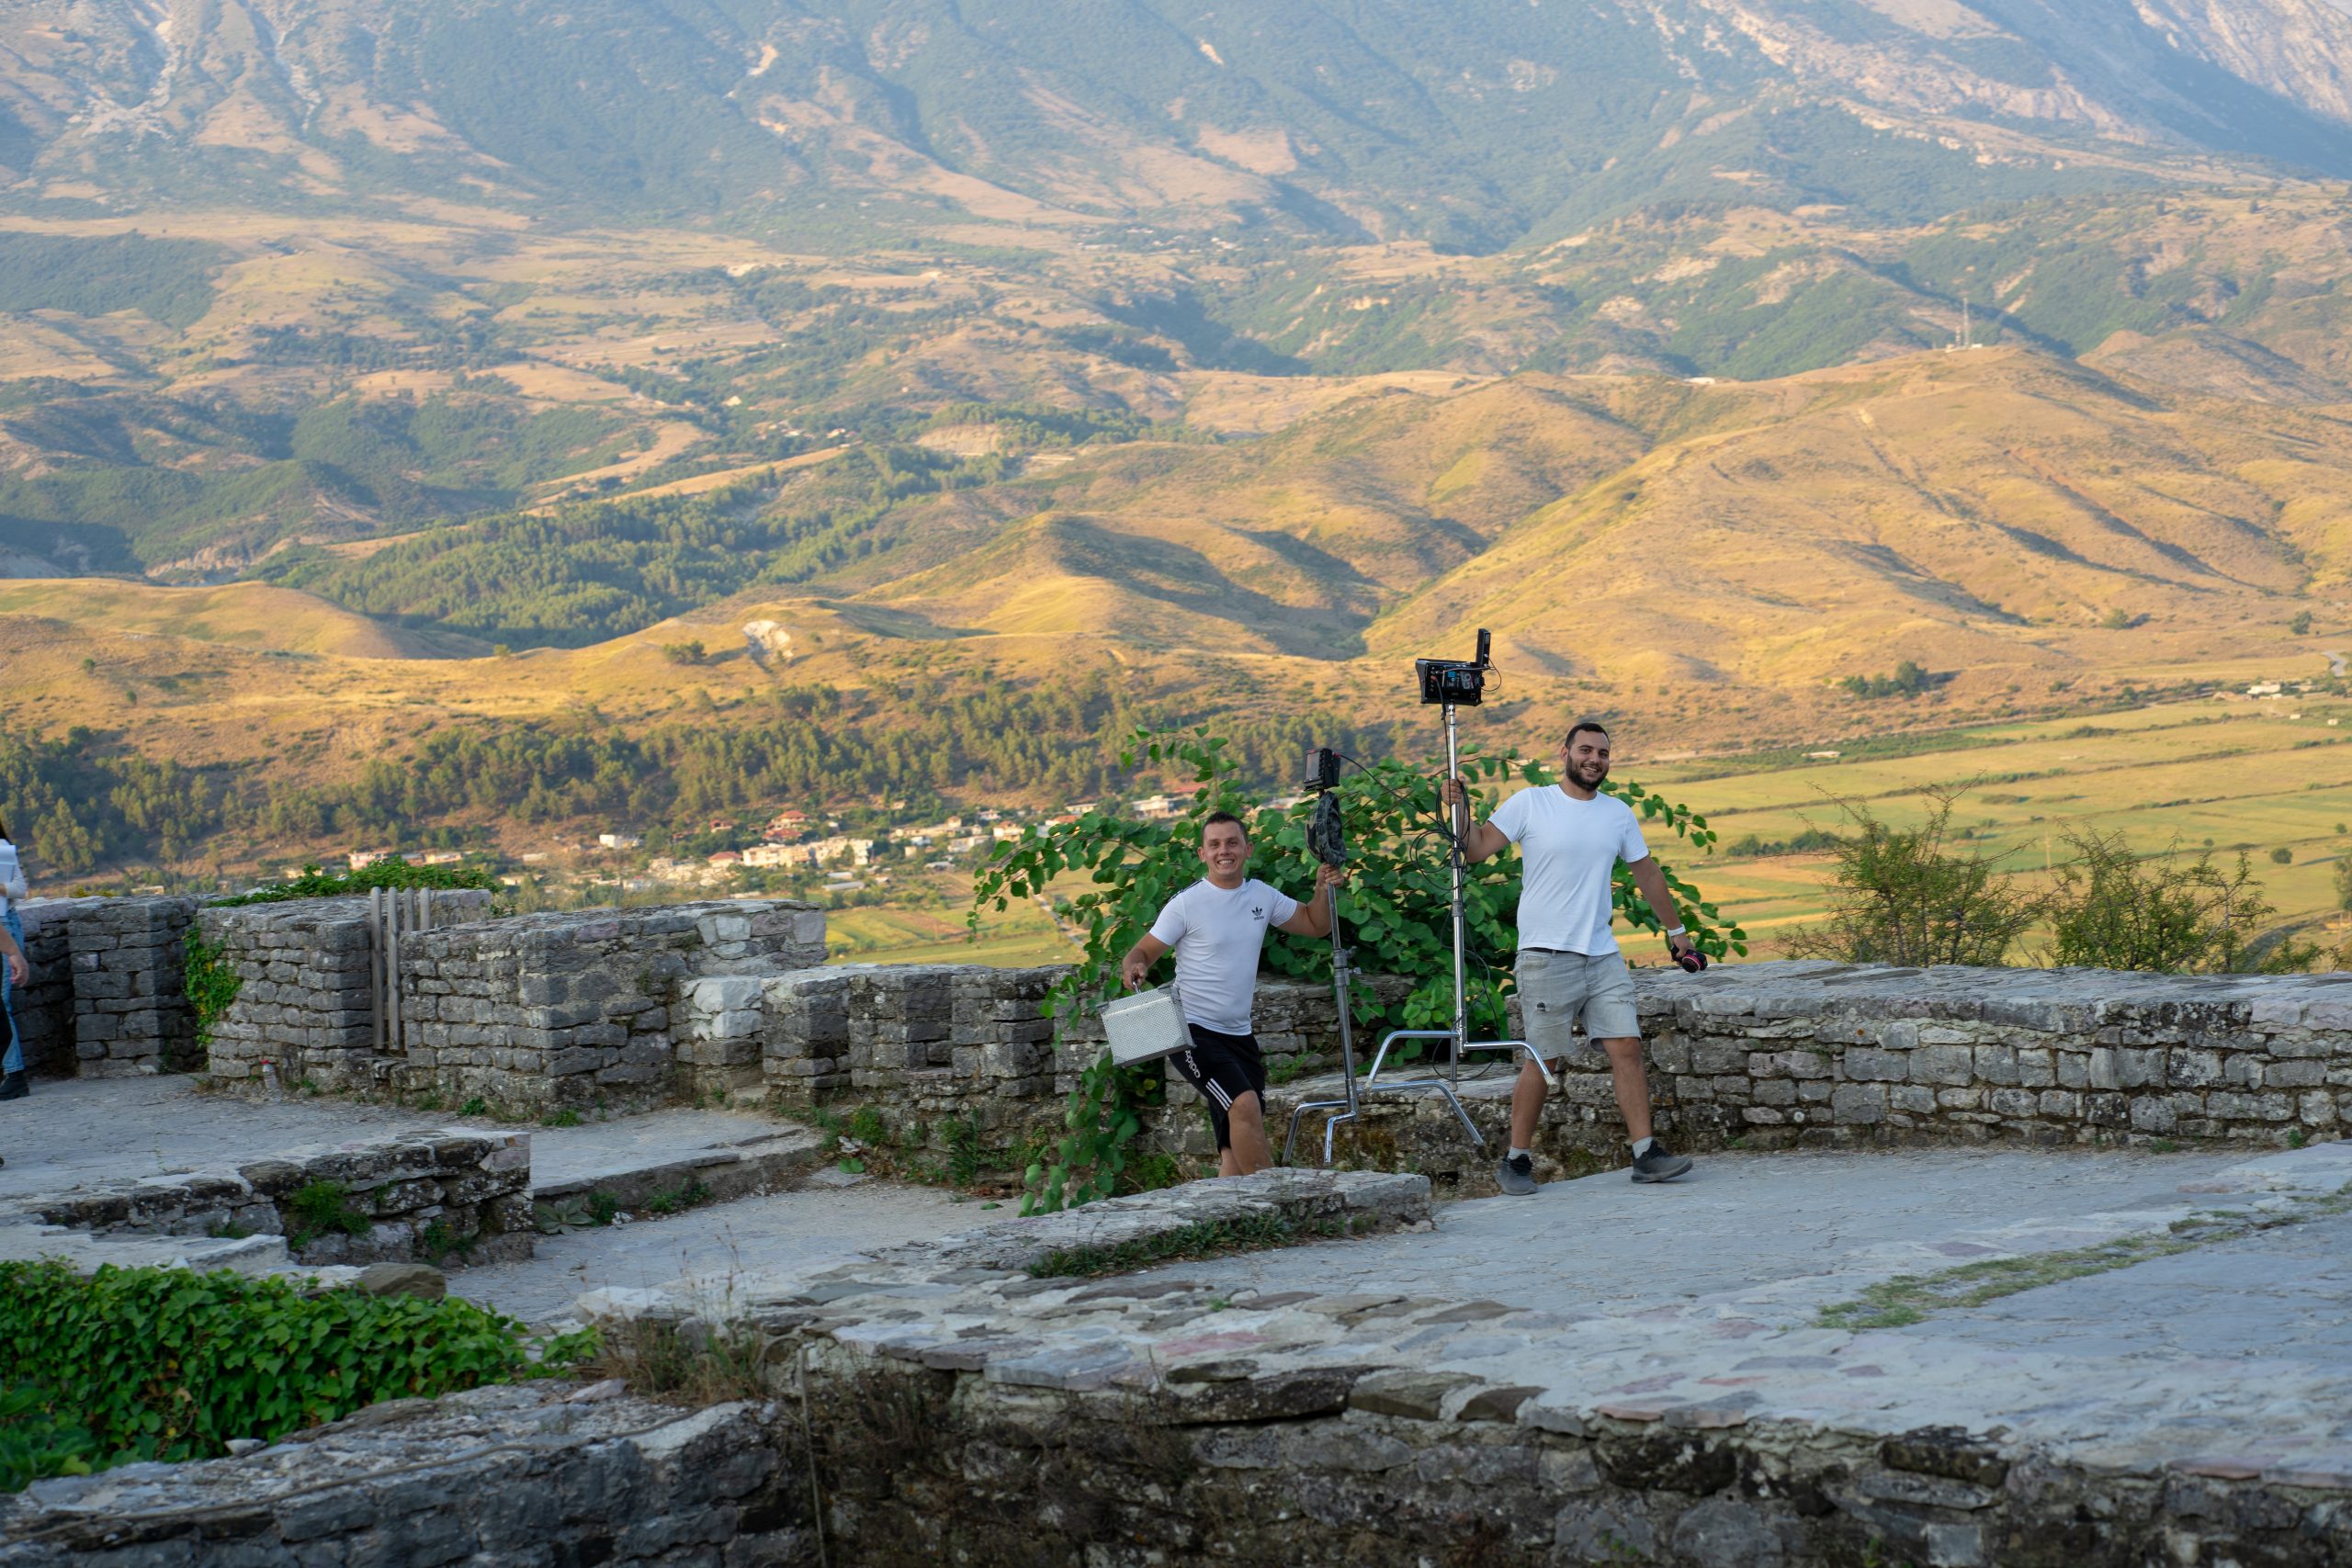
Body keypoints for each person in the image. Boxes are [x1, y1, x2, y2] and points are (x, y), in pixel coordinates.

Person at [1443, 719, 1702, 1194]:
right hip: (1545, 955)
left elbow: (1647, 874)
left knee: (1626, 1046)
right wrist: (1458, 808)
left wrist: (1678, 933)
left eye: (1602, 753)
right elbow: (1476, 849)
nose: (1594, 759)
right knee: (1545, 1060)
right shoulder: (1531, 802)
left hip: (1601, 953)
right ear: (1563, 752)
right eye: (1585, 750)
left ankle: (1646, 1154)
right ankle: (1516, 1161)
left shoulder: (1618, 813)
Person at [1119, 811, 1343, 1178]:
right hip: (1190, 1032)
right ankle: (1275, 1200)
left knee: (1233, 1158)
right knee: (1244, 1105)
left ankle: (1231, 1218)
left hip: (1239, 1035)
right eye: (1215, 844)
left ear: (1247, 848)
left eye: (1232, 842)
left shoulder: (1262, 896)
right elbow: (1141, 951)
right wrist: (1135, 966)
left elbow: (1316, 924)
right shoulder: (1186, 904)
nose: (1224, 850)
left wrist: (1321, 889)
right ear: (1203, 853)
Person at [0, 818, 26, 1101]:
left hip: (4, 923)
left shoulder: (2, 848)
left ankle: (16, 1074)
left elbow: (20, 888)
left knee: (1, 1002)